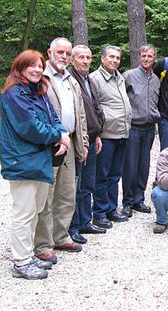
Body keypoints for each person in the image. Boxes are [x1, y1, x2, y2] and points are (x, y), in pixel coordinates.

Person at [0, 49, 70, 279]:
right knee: (24, 213)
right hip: (22, 161)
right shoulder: (14, 95)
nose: (38, 69)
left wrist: (62, 132)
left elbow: (53, 117)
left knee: (36, 210)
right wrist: (58, 136)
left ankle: (27, 255)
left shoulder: (38, 91)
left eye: (40, 66)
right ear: (20, 68)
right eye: (32, 66)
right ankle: (20, 262)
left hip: (39, 160)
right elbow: (30, 127)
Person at [35, 37, 88, 263]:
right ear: (50, 52)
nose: (64, 57)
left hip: (70, 141)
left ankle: (61, 235)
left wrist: (82, 141)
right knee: (45, 197)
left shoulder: (71, 80)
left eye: (67, 53)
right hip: (49, 145)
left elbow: (80, 113)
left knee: (66, 193)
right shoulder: (40, 78)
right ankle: (43, 244)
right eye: (60, 53)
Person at [89, 46, 132, 228]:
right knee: (102, 175)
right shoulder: (95, 79)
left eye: (117, 58)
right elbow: (93, 108)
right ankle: (99, 213)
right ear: (103, 58)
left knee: (115, 175)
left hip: (122, 133)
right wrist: (97, 133)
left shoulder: (119, 77)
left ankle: (111, 209)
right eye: (111, 57)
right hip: (106, 134)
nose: (114, 60)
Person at [68, 45, 107, 242]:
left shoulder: (89, 80)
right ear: (72, 59)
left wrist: (98, 134)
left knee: (88, 184)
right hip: (78, 141)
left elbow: (95, 108)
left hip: (92, 139)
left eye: (88, 57)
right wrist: (80, 141)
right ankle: (72, 226)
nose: (85, 61)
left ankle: (85, 221)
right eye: (81, 57)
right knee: (75, 184)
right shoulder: (70, 80)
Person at [121, 45, 160, 218]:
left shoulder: (156, 79)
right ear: (139, 57)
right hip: (133, 128)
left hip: (149, 128)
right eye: (143, 56)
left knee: (144, 165)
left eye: (149, 56)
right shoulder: (128, 76)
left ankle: (139, 199)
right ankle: (127, 202)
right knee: (130, 165)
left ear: (154, 58)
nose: (146, 59)